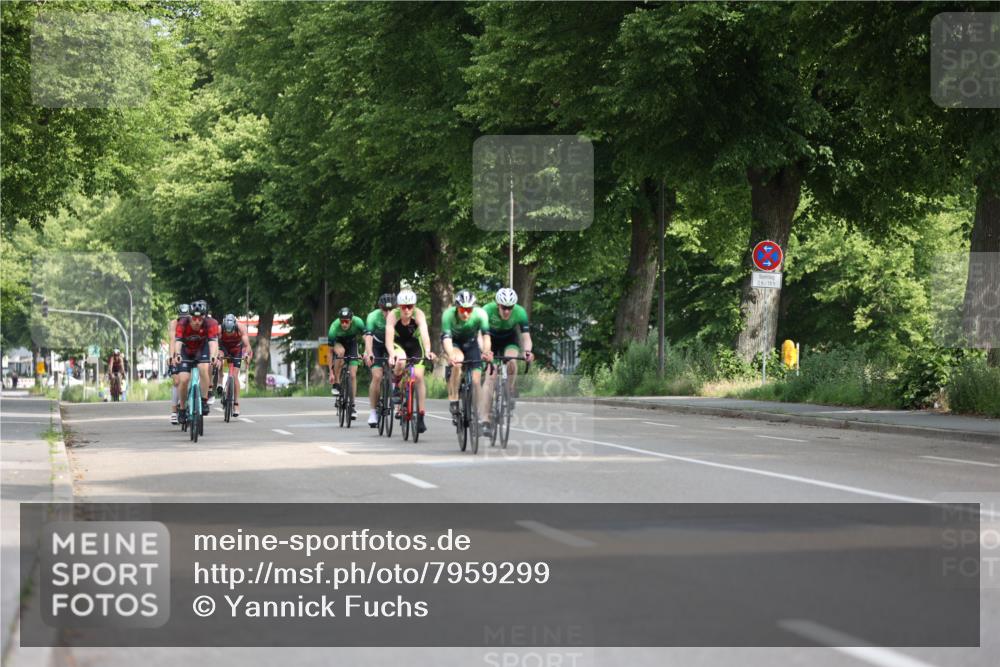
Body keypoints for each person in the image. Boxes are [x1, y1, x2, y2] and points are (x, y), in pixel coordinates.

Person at [479, 287, 534, 436]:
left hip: (509, 339)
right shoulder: (486, 310)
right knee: (491, 376)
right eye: (504, 307)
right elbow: (480, 335)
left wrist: (528, 352)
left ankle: (509, 392)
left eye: (510, 308)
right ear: (498, 304)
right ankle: (485, 419)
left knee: (511, 361)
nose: (507, 311)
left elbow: (526, 337)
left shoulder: (520, 312)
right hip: (489, 338)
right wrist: (485, 351)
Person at [384, 287, 437, 434]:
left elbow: (425, 335)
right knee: (400, 361)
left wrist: (427, 351)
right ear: (399, 307)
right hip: (398, 343)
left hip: (414, 344)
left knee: (419, 377)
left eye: (410, 306)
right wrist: (390, 354)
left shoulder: (419, 314)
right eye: (403, 307)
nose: (407, 310)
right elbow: (388, 338)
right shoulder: (393, 316)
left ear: (413, 306)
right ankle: (397, 385)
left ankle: (420, 415)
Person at [441, 290, 492, 425]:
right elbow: (446, 339)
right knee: (458, 362)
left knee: (476, 380)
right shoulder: (448, 315)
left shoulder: (480, 314)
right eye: (462, 309)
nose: (465, 313)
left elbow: (486, 336)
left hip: (471, 343)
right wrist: (451, 354)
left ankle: (482, 416)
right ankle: (454, 398)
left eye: (469, 310)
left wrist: (486, 352)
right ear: (457, 307)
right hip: (454, 343)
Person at [172, 300, 219, 424]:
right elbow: (178, 342)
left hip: (201, 350)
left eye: (200, 318)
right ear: (190, 317)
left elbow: (213, 342)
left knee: (204, 368)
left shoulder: (210, 323)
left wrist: (213, 356)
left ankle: (203, 401)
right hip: (185, 351)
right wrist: (177, 354)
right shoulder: (182, 323)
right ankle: (182, 409)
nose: (197, 321)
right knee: (183, 380)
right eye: (194, 318)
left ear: (204, 317)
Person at [362, 293, 396, 427]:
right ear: (380, 308)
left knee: (400, 368)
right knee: (376, 376)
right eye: (384, 309)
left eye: (391, 309)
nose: (387, 313)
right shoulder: (373, 316)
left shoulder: (398, 316)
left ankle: (398, 400)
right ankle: (373, 412)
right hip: (376, 345)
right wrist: (369, 352)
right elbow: (368, 337)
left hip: (392, 344)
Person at [328, 307, 365, 419]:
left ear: (351, 320)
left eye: (346, 321)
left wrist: (367, 351)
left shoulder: (358, 322)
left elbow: (366, 337)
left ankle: (352, 405)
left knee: (353, 375)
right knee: (341, 352)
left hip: (352, 343)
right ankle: (338, 383)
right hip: (338, 343)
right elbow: (329, 352)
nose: (344, 324)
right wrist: (331, 373)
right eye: (342, 321)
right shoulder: (334, 327)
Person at [215, 313, 253, 417]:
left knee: (235, 376)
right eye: (227, 331)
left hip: (237, 349)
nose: (229, 333)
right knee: (219, 357)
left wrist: (245, 355)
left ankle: (236, 404)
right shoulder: (219, 329)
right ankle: (220, 378)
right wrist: (215, 355)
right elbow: (213, 344)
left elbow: (247, 346)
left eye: (230, 331)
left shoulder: (241, 328)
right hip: (224, 348)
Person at [167, 303, 190, 424]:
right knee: (177, 381)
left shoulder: (194, 323)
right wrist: (171, 357)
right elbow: (172, 340)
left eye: (186, 317)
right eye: (182, 317)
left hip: (191, 351)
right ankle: (174, 411)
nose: (184, 320)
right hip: (177, 351)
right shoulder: (174, 324)